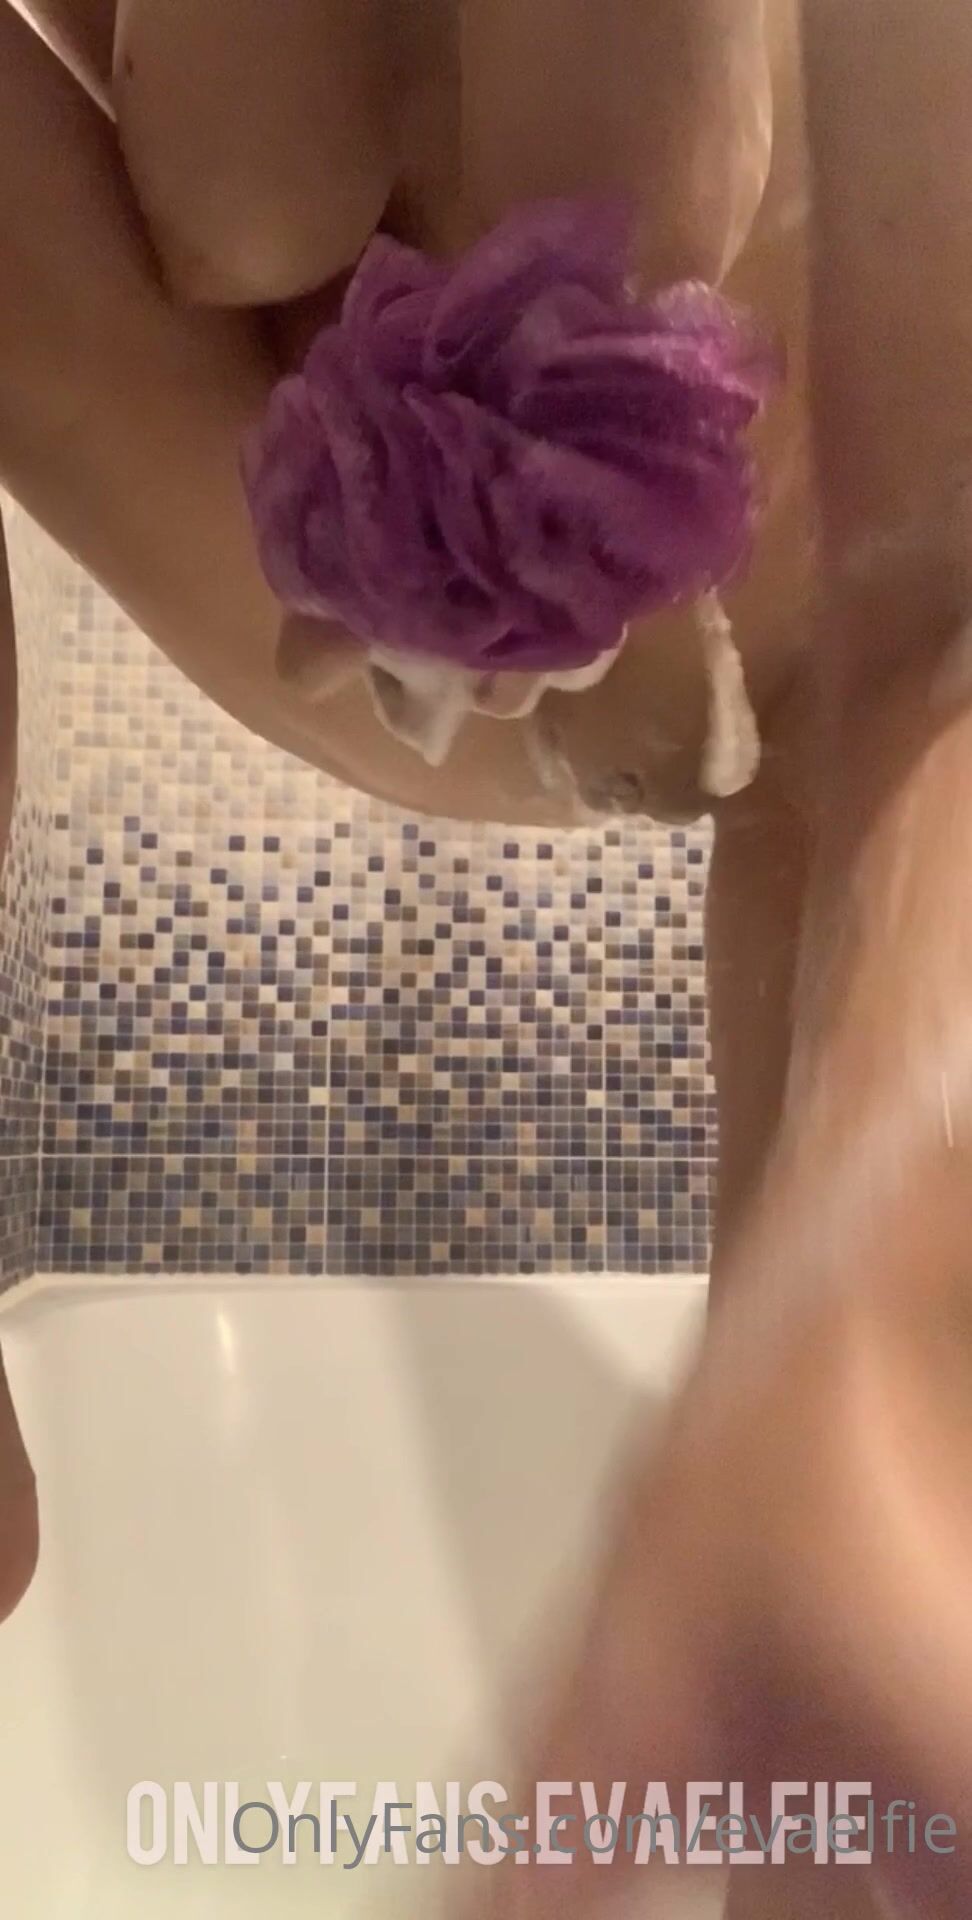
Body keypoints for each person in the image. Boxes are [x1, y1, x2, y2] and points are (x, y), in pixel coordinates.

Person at [1, 3, 970, 1914]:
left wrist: (890, 1265)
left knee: (838, 1718)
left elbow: (943, 585)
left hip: (805, 561)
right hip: (321, 490)